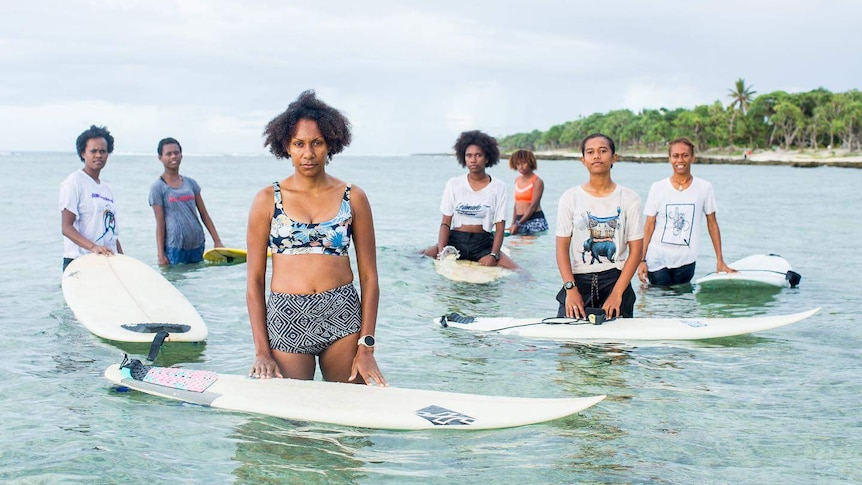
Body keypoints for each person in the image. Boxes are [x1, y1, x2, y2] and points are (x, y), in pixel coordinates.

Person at [246, 90, 386, 386]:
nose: (308, 153)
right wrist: (261, 351)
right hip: (286, 318)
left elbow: (370, 277)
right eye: (299, 144)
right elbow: (254, 281)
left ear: (330, 145)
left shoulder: (353, 197)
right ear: (286, 145)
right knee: (293, 427)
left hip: (342, 316)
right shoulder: (266, 200)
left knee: (351, 419)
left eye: (317, 143)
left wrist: (367, 345)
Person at [555, 133, 643, 319]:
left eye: (603, 151)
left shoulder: (629, 198)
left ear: (614, 158)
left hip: (616, 280)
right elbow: (562, 249)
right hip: (579, 281)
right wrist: (570, 289)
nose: (597, 156)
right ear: (583, 160)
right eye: (590, 152)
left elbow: (636, 251)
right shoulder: (570, 198)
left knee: (616, 346)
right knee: (570, 345)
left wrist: (617, 293)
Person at [637, 137, 736, 287]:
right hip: (657, 258)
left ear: (692, 158)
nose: (680, 160)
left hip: (686, 260)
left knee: (682, 305)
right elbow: (649, 225)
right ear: (670, 158)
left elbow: (712, 223)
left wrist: (720, 260)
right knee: (661, 300)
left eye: (685, 155)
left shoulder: (704, 187)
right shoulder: (658, 187)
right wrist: (642, 260)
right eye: (675, 156)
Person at [422, 130, 518, 270]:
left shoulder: (499, 186)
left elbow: (500, 226)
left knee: (521, 272)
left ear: (487, 158)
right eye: (469, 155)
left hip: (483, 243)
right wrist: (442, 252)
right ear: (464, 158)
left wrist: (494, 254)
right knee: (421, 255)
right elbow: (445, 223)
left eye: (478, 155)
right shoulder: (454, 184)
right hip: (455, 242)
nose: (473, 160)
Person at [148, 137, 223, 265]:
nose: (173, 156)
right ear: (160, 157)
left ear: (181, 155)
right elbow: (160, 223)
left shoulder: (190, 183)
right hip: (174, 248)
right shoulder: (158, 187)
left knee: (196, 282)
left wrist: (217, 241)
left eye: (176, 153)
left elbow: (204, 214)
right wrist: (161, 255)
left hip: (197, 244)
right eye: (168, 154)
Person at [59, 125, 123, 271]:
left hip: (107, 261)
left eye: (103, 151)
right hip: (80, 262)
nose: (98, 155)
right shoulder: (73, 182)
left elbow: (111, 232)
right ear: (83, 153)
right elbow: (66, 227)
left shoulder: (106, 189)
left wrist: (122, 258)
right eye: (93, 151)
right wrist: (93, 247)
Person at [507, 149, 549, 235]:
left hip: (534, 220)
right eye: (518, 164)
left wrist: (518, 224)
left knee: (529, 247)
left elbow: (533, 206)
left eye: (523, 163)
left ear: (530, 162)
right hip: (519, 221)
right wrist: (513, 224)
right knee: (515, 247)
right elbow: (516, 205)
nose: (520, 166)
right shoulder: (517, 180)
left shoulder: (537, 181)